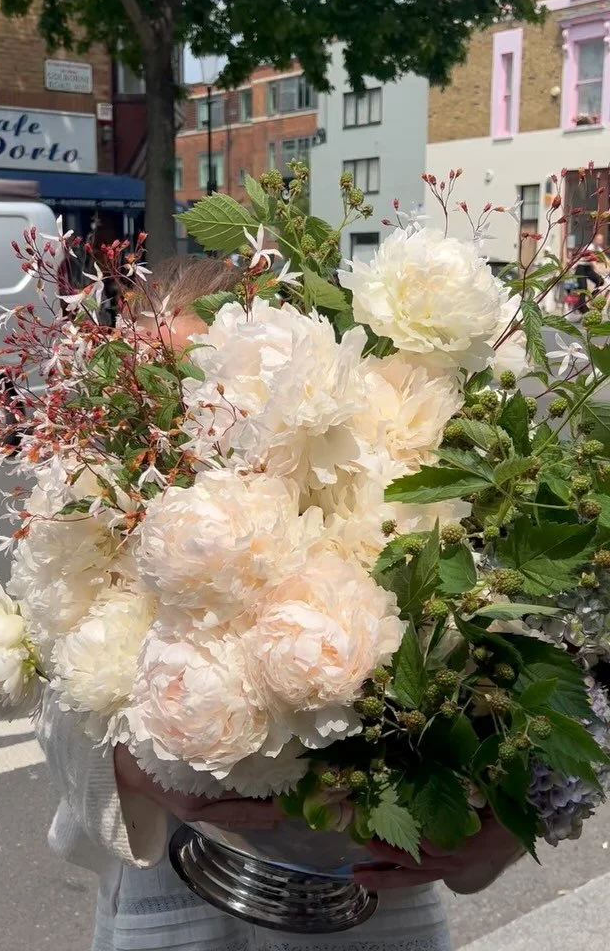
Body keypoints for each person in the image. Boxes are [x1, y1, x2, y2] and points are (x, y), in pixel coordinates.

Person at [36, 256, 524, 951]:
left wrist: (496, 839)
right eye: (142, 383)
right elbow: (60, 702)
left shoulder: (381, 506)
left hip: (368, 910)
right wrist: (140, 773)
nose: (162, 407)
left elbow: (522, 695)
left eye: (198, 385)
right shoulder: (92, 518)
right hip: (178, 910)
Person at [575, 231, 607, 314]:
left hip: (588, 269)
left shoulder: (599, 249)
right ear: (594, 239)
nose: (600, 241)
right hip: (581, 268)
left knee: (600, 281)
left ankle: (592, 297)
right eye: (599, 239)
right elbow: (592, 260)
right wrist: (597, 268)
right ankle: (581, 307)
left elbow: (605, 259)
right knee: (583, 288)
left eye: (601, 240)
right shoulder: (590, 247)